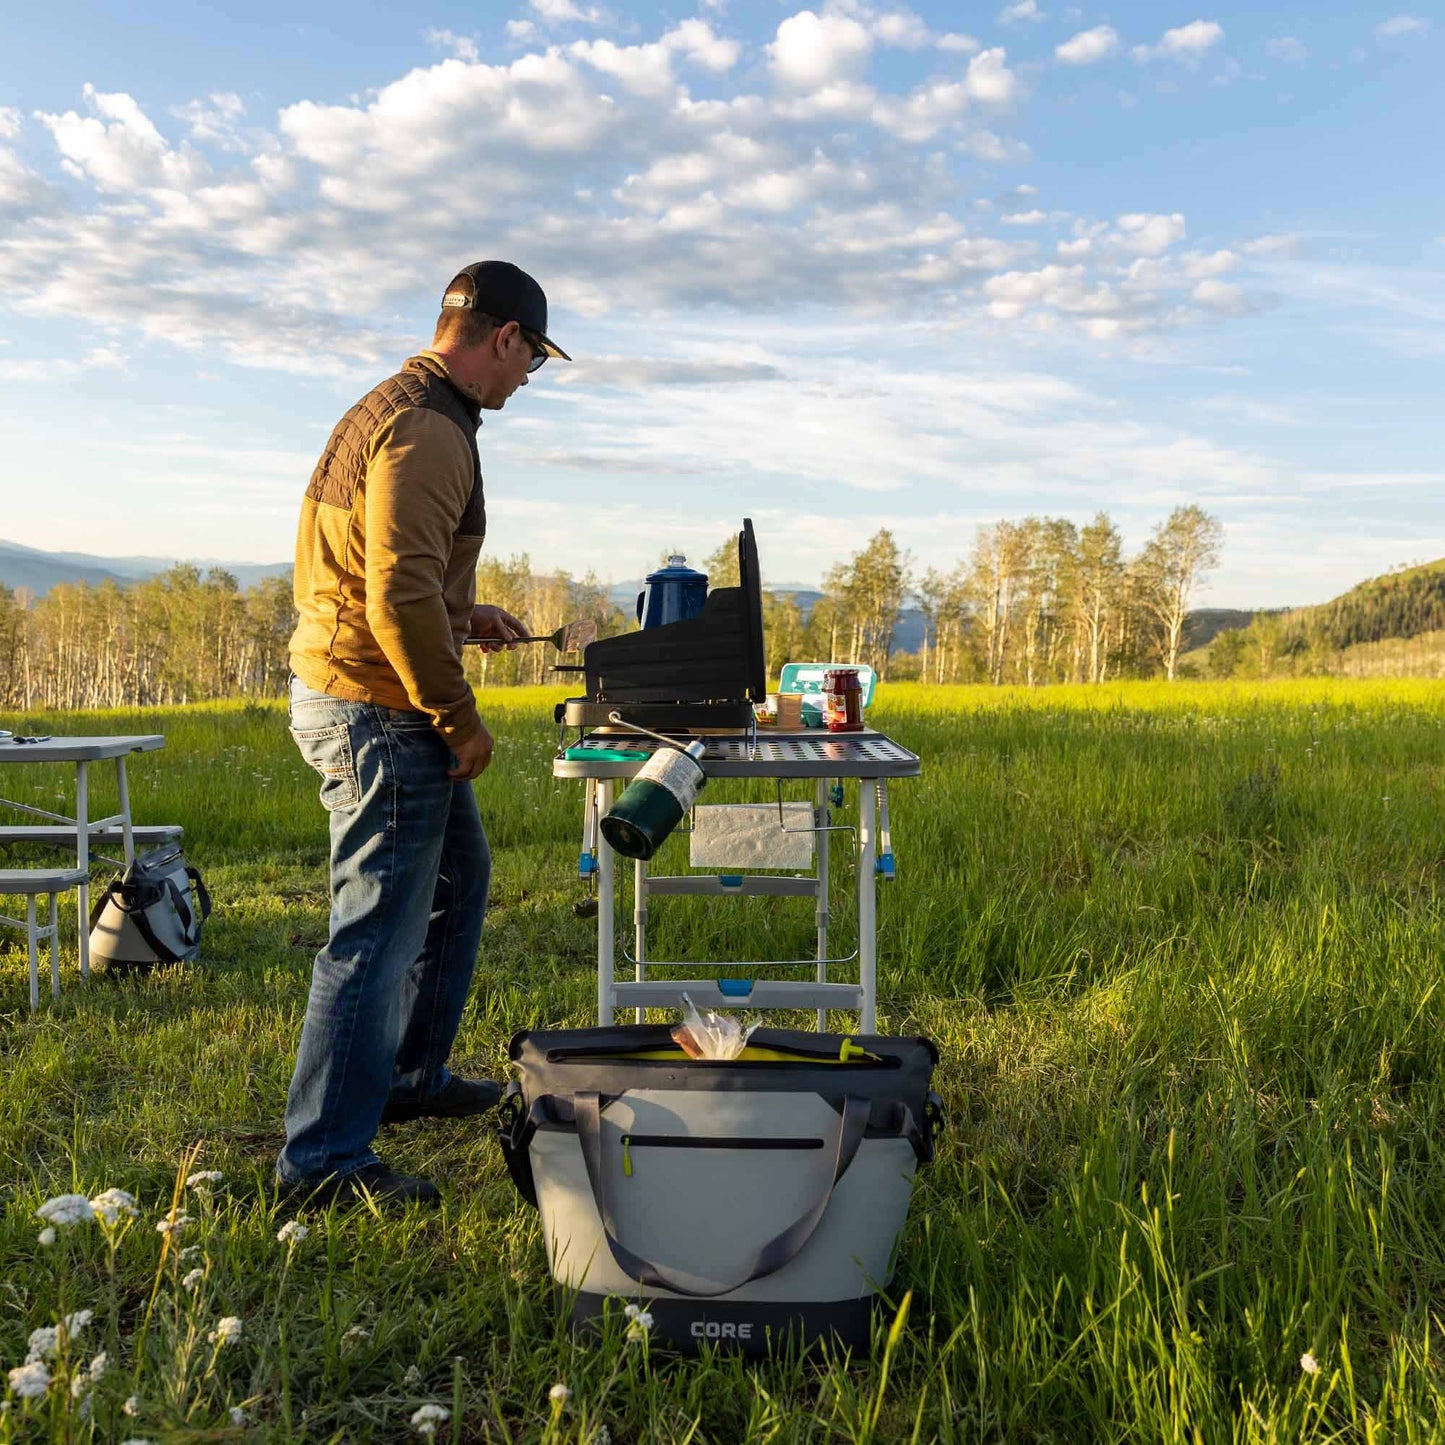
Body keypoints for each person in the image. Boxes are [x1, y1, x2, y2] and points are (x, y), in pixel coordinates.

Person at [277, 261, 570, 1206]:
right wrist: (458, 718)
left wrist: (462, 609)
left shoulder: (391, 404)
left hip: (356, 683)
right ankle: (321, 1162)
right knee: (372, 938)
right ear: (505, 338)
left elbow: (394, 573)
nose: (527, 380)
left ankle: (409, 1075)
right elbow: (395, 593)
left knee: (458, 876)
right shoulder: (433, 427)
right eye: (531, 360)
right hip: (379, 708)